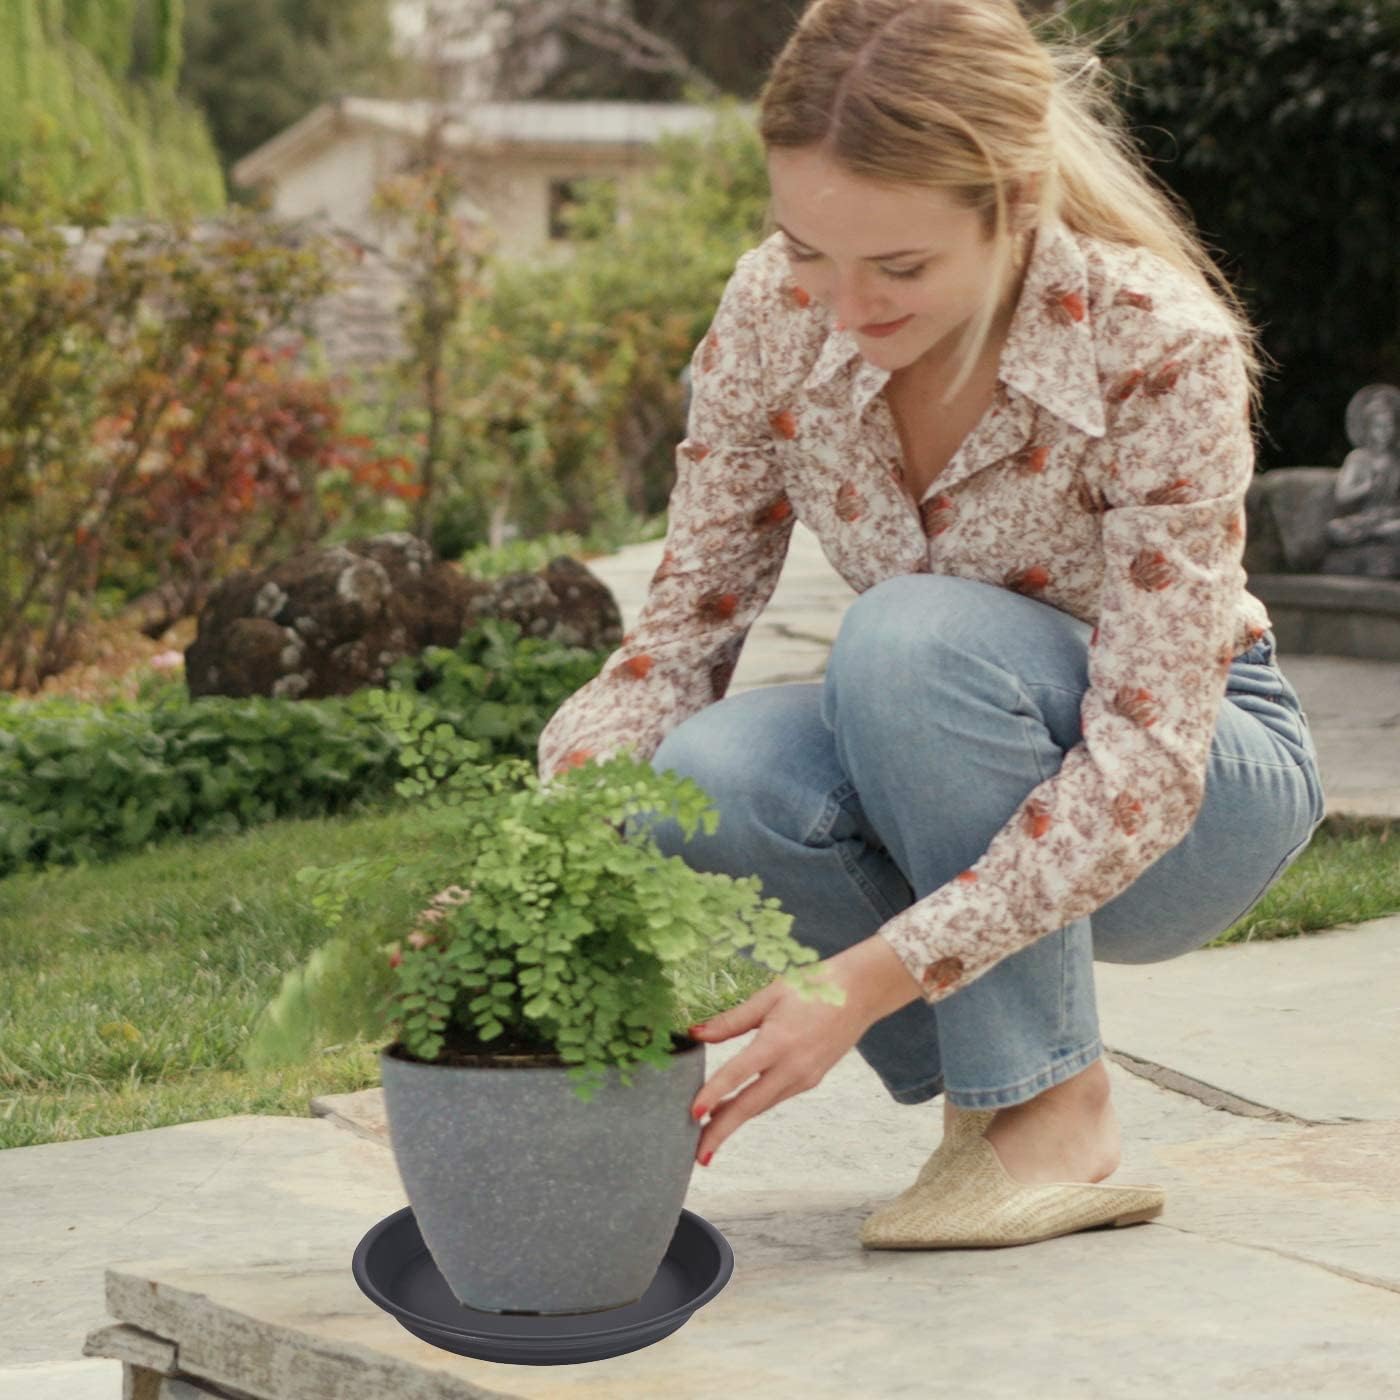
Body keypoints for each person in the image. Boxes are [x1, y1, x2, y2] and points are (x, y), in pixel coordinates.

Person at [536, 0, 1327, 1249]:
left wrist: (852, 984)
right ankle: (991, 1106)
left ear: (1011, 204)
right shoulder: (769, 314)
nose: (841, 305)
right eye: (807, 249)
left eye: (897, 267)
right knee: (703, 775)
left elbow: (1147, 762)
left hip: (1193, 784)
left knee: (905, 640)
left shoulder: (1157, 348)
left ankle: (1051, 1114)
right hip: (947, 767)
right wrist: (546, 853)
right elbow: (677, 642)